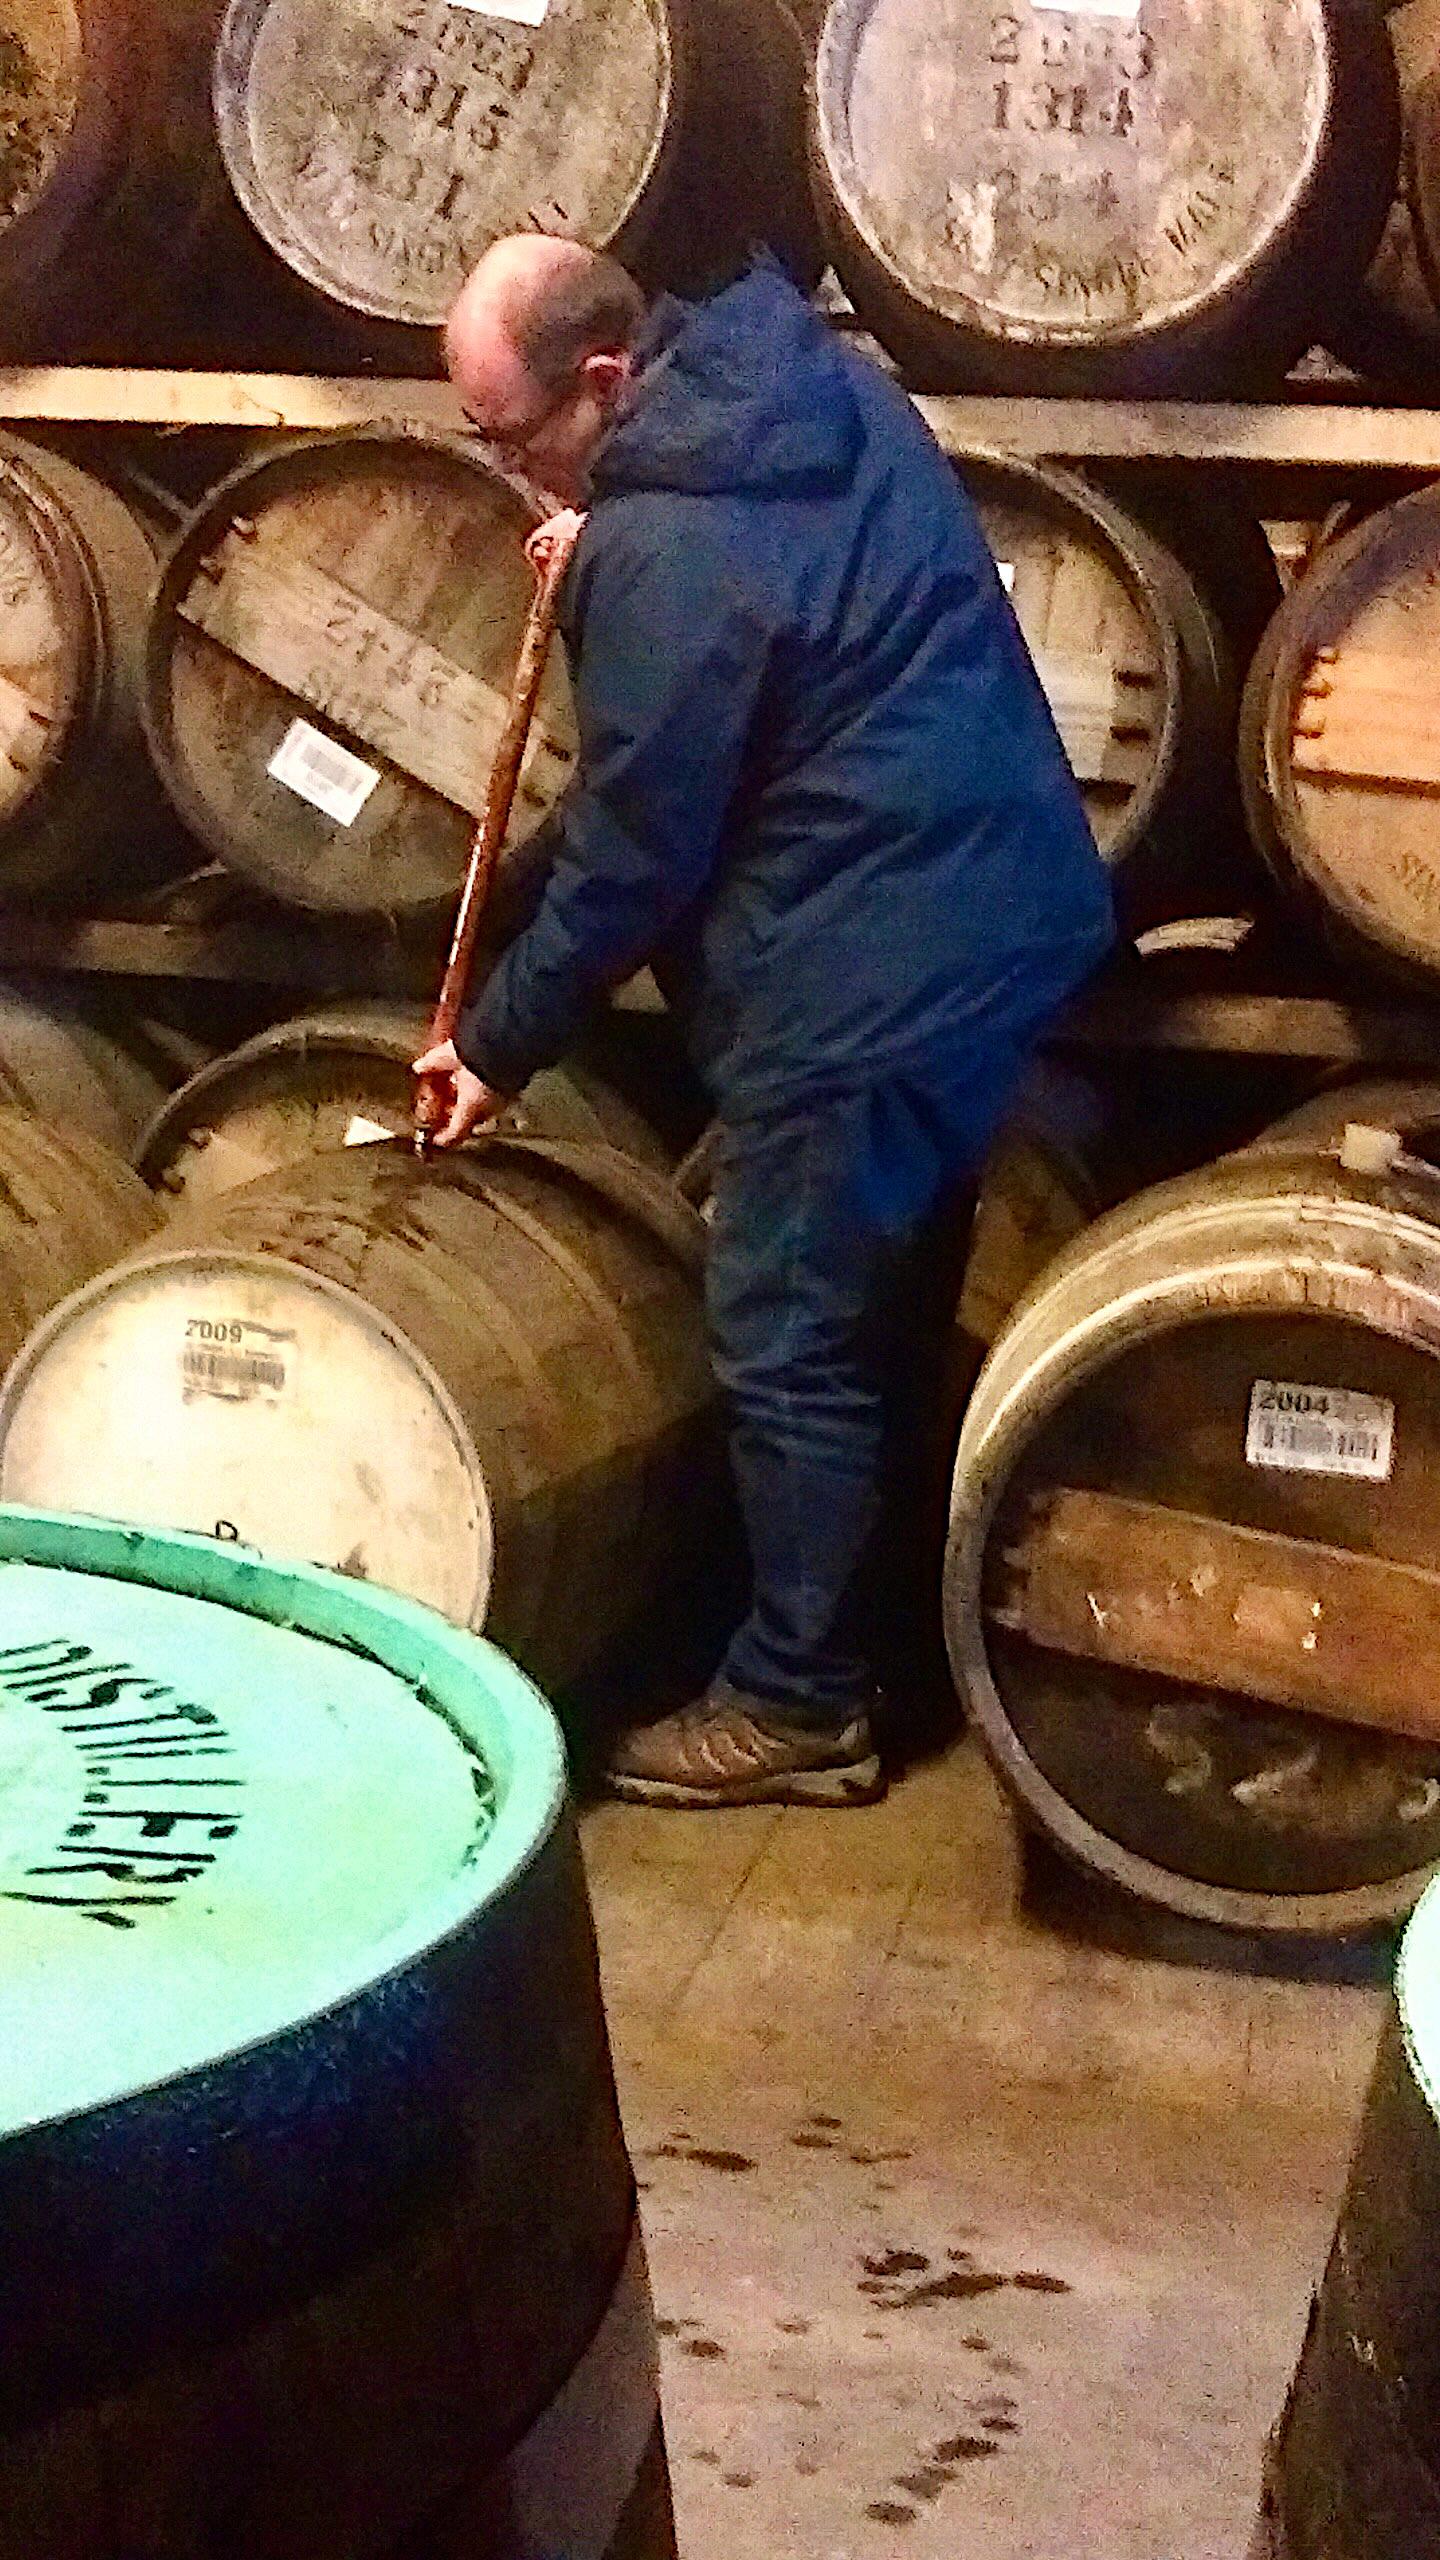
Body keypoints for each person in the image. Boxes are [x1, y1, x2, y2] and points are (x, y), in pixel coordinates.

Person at [416, 233, 1114, 1808]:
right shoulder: (814, 388)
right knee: (886, 1298)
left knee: (788, 1333)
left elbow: (633, 855)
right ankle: (876, 1633)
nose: (505, 471)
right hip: (988, 923)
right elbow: (776, 599)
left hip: (859, 963)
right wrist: (605, 550)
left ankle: (799, 1705)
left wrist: (496, 1043)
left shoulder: (667, 551)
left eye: (508, 439)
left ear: (605, 381)